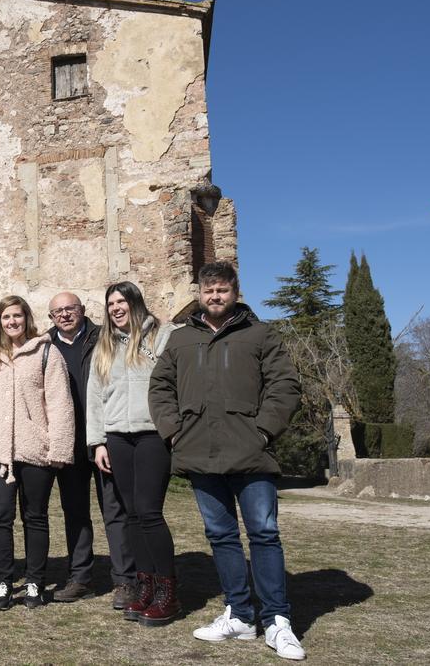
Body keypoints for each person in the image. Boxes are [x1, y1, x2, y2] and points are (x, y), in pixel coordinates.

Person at [149, 262, 305, 660]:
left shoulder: (260, 334)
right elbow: (160, 388)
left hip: (251, 453)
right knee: (220, 537)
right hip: (200, 453)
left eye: (222, 290)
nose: (214, 296)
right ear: (199, 293)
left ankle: (276, 621)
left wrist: (264, 431)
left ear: (235, 291)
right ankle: (239, 614)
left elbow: (285, 385)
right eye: (208, 290)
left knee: (264, 535)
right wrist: (174, 431)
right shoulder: (182, 339)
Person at [85, 282, 178, 625]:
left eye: (121, 301)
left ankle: (167, 591)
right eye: (111, 304)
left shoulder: (161, 337)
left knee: (150, 512)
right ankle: (145, 586)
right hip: (117, 439)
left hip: (152, 435)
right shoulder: (105, 347)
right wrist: (97, 442)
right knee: (131, 515)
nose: (115, 308)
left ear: (135, 302)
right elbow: (95, 396)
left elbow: (174, 379)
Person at [0, 296, 75, 610]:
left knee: (35, 517)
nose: (11, 322)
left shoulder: (47, 352)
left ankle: (35, 582)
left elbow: (60, 404)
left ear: (26, 318)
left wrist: (59, 447)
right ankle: (3, 583)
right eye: (5, 317)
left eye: (16, 316)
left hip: (35, 449)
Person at [47, 291, 135, 608]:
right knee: (75, 512)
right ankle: (80, 577)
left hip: (105, 437)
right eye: (58, 311)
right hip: (68, 442)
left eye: (71, 309)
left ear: (83, 311)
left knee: (114, 510)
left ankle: (125, 580)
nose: (65, 315)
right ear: (51, 317)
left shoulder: (105, 338)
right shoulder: (46, 345)